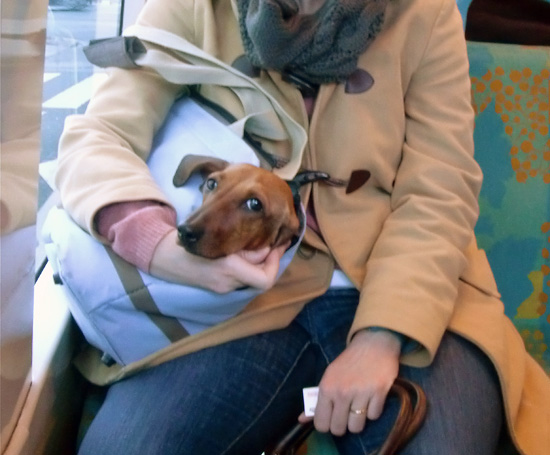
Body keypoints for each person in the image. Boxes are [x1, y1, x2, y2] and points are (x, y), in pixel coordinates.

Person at [56, 0, 550, 454]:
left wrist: (383, 336)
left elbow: (440, 187)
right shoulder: (195, 5)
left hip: (396, 285)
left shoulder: (423, 13)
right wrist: (163, 247)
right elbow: (100, 135)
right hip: (235, 307)